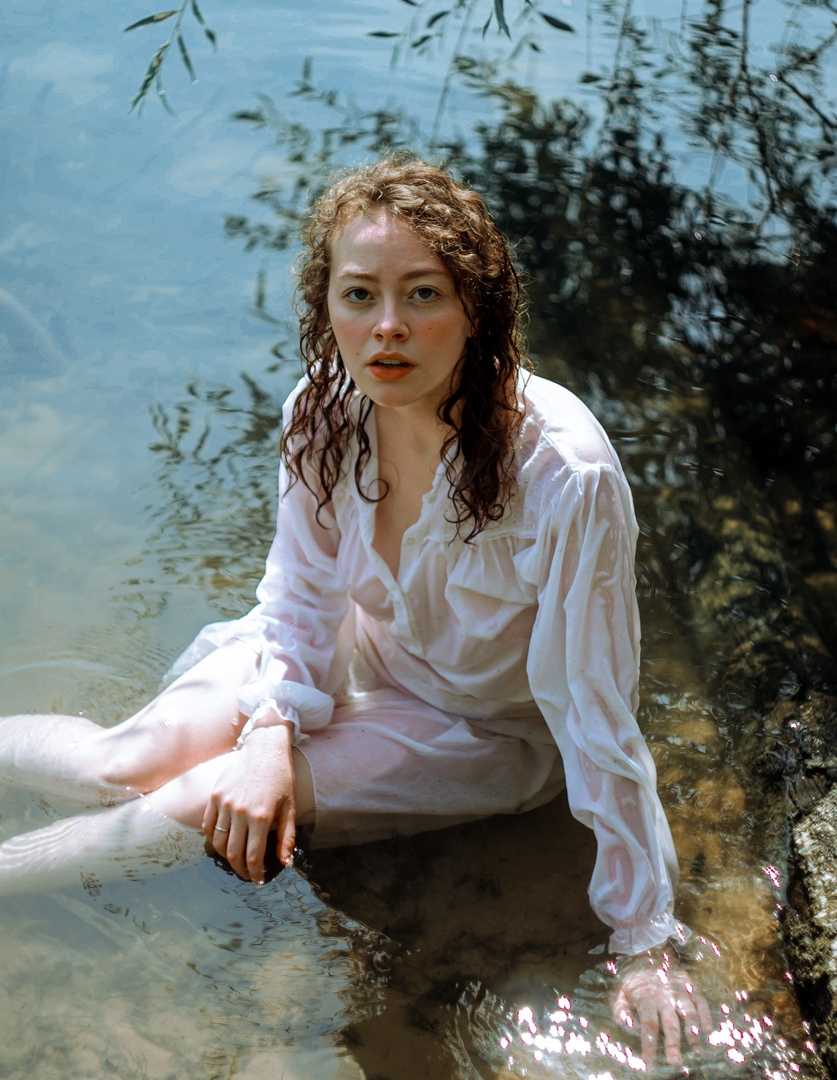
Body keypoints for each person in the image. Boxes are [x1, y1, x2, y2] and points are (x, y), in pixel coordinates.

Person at [0, 156, 710, 1067]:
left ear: (479, 308)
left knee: (197, 801)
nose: (387, 327)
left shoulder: (562, 473)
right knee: (123, 761)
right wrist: (271, 729)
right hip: (337, 652)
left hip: (477, 730)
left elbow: (593, 710)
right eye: (359, 294)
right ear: (325, 304)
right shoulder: (322, 410)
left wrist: (643, 940)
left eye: (423, 294)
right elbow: (298, 594)